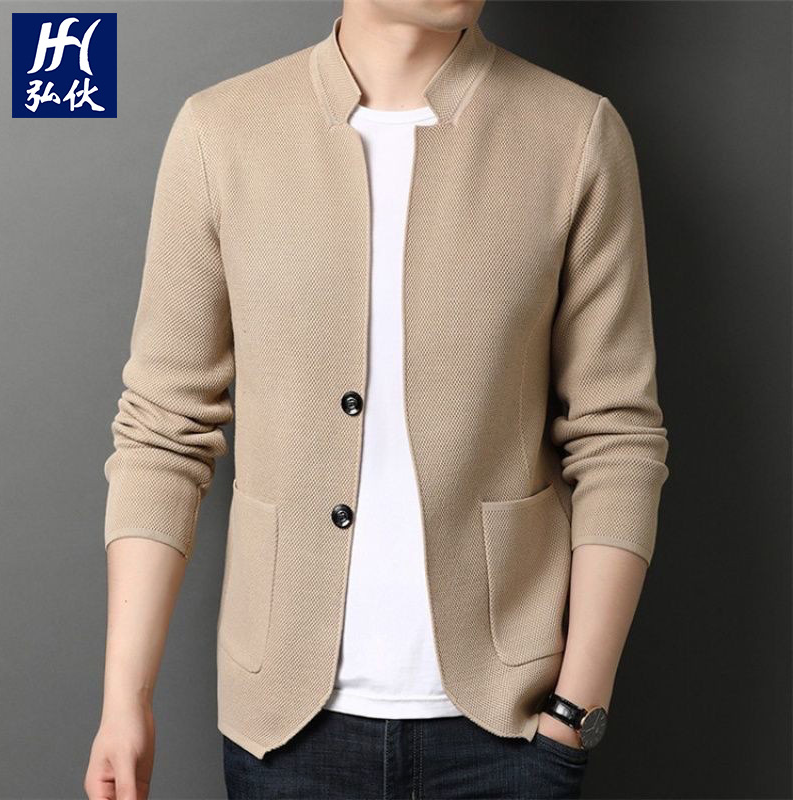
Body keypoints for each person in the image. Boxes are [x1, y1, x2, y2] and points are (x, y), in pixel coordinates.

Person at [85, 0, 670, 797]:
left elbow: (617, 436)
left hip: (510, 730)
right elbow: (162, 431)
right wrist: (125, 700)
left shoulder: (573, 135)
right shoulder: (221, 134)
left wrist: (576, 711)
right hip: (283, 733)